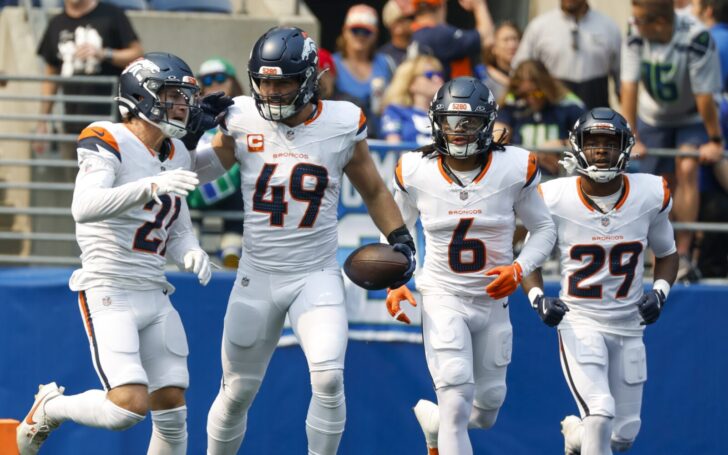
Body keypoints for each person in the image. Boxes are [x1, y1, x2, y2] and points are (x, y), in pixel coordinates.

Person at [199, 27, 416, 454]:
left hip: (314, 275)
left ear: (310, 79)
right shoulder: (241, 117)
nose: (271, 91)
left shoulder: (342, 122)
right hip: (256, 275)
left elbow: (373, 188)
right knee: (237, 391)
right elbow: (201, 174)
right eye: (264, 81)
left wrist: (401, 239)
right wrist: (192, 134)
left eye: (283, 82)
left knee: (329, 377)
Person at [15, 52, 232, 455]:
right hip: (109, 286)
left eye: (185, 97)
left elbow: (177, 224)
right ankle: (51, 406)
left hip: (154, 288)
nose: (182, 106)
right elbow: (85, 205)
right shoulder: (108, 136)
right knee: (127, 408)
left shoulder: (177, 153)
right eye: (172, 95)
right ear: (141, 96)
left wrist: (190, 251)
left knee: (172, 407)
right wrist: (152, 185)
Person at [385, 77, 557, 455]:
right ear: (435, 121)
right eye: (450, 121)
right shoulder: (415, 169)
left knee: (485, 409)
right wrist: (395, 278)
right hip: (443, 294)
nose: (459, 132)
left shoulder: (514, 166)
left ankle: (436, 428)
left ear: (488, 123)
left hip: (493, 301)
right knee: (456, 396)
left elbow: (544, 228)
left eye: (469, 123)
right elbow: (396, 228)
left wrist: (518, 268)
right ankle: (444, 423)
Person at [521, 107, 679, 454]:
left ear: (625, 147)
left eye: (610, 143)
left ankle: (575, 438)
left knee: (623, 436)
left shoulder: (651, 193)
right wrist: (537, 298)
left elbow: (667, 253)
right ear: (578, 147)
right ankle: (586, 434)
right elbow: (526, 253)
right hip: (580, 321)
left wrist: (660, 292)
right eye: (593, 143)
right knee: (600, 411)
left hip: (629, 323)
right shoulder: (555, 197)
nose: (602, 151)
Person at [621, 0, 724, 281]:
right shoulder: (635, 32)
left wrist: (715, 139)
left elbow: (704, 95)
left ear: (660, 23)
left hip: (690, 114)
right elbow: (628, 85)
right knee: (658, 182)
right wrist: (632, 133)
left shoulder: (696, 37)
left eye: (641, 20)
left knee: (687, 167)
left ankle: (685, 251)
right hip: (653, 114)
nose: (635, 24)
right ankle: (660, 253)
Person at [36, 0, 143, 151]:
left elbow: (137, 54)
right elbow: (51, 76)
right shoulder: (56, 23)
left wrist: (105, 53)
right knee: (73, 174)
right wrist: (42, 120)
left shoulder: (112, 15)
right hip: (72, 125)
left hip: (112, 125)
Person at [186, 57, 245, 268]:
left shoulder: (244, 111)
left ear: (232, 81)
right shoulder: (191, 110)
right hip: (199, 180)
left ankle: (231, 248)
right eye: (207, 80)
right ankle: (189, 245)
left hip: (230, 180)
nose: (214, 84)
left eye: (220, 77)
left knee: (241, 191)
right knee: (183, 184)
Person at [512, 0, 621, 110]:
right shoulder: (539, 27)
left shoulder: (608, 27)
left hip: (596, 114)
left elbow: (622, 81)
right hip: (553, 116)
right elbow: (518, 72)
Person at [494, 59, 586, 175]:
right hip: (520, 176)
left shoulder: (566, 107)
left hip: (558, 177)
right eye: (524, 95)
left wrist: (562, 144)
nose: (531, 99)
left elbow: (590, 141)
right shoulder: (510, 109)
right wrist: (536, 155)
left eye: (537, 93)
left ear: (546, 88)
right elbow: (496, 144)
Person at [333, 4, 393, 137]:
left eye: (366, 31)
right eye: (355, 30)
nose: (360, 36)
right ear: (345, 31)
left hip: (381, 138)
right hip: (343, 137)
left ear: (376, 33)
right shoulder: (332, 64)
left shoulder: (386, 63)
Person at [410, 0, 494, 80]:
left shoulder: (413, 34)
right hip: (447, 92)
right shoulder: (439, 34)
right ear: (442, 6)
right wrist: (479, 5)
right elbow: (487, 39)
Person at [380, 54, 444, 145]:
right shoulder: (395, 111)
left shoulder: (447, 113)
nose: (437, 79)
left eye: (439, 74)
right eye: (429, 75)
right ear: (411, 83)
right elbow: (393, 147)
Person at [476, 21, 521, 103]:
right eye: (506, 40)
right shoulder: (480, 76)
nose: (512, 44)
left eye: (515, 39)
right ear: (494, 48)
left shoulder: (526, 76)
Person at [378, 0, 414, 74]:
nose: (415, 21)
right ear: (395, 25)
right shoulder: (382, 57)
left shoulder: (423, 48)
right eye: (410, 18)